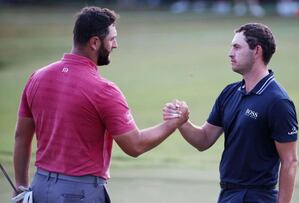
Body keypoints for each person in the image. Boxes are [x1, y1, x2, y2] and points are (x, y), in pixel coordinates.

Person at [13, 6, 188, 203]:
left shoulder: (37, 77)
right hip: (79, 193)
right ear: (95, 42)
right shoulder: (104, 90)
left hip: (39, 188)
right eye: (112, 39)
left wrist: (20, 187)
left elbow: (21, 136)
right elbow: (135, 145)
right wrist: (173, 123)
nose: (116, 45)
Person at [164, 23, 298, 203]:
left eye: (237, 47)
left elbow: (290, 161)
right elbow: (203, 139)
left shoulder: (277, 101)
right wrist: (182, 121)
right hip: (228, 195)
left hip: (258, 197)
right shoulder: (229, 93)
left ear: (257, 50)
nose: (230, 52)